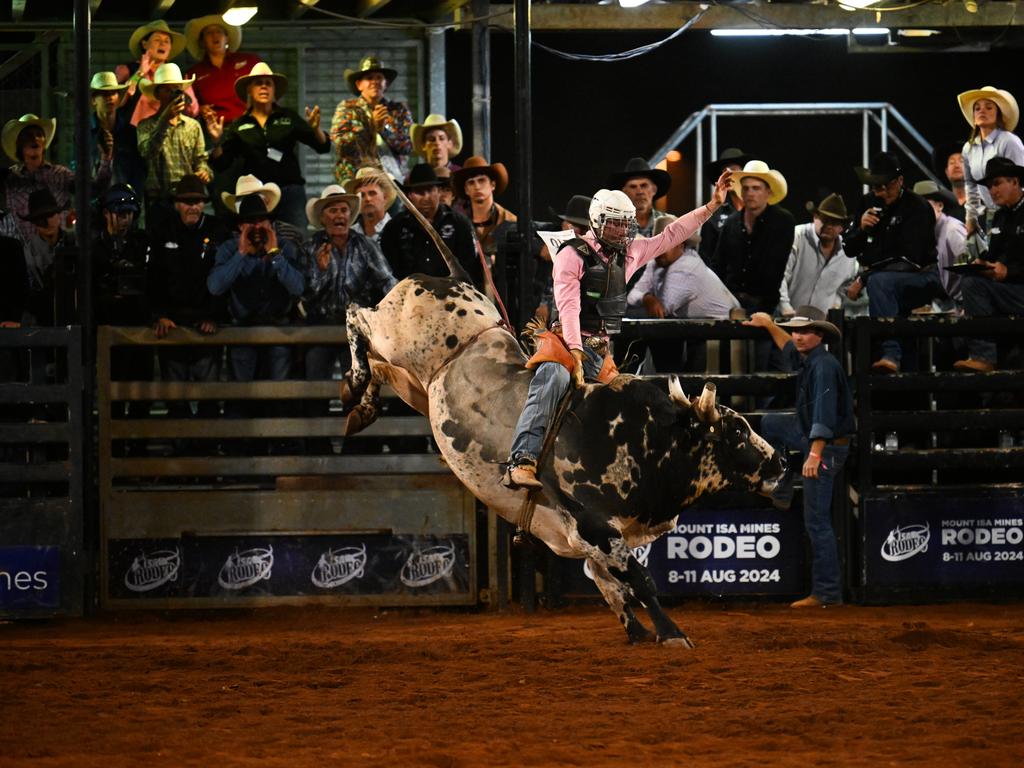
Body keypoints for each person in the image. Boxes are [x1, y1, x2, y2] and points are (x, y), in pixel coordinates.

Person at [505, 170, 733, 488]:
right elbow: (569, 304)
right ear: (598, 221)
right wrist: (573, 350)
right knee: (551, 381)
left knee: (632, 399)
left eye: (625, 222)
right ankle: (521, 460)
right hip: (564, 343)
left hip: (600, 350)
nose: (621, 228)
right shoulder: (572, 254)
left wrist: (711, 205)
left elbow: (672, 234)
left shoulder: (630, 251)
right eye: (614, 221)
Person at [743, 306, 854, 608]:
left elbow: (825, 414)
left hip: (825, 446)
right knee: (769, 423)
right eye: (796, 330)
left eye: (805, 331)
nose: (798, 336)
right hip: (812, 436)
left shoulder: (823, 367)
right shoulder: (814, 360)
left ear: (818, 335)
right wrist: (767, 324)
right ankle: (784, 478)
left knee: (817, 521)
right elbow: (790, 349)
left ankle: (828, 593)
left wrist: (815, 454)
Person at [301, 185, 396, 434]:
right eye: (333, 210)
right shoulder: (311, 247)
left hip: (356, 332)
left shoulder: (364, 245)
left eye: (343, 210)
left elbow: (387, 282)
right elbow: (304, 296)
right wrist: (321, 273)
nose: (339, 215)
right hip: (319, 327)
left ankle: (358, 449)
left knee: (359, 387)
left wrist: (396, 310)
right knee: (314, 387)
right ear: (323, 218)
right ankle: (316, 446)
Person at [207, 185, 305, 403]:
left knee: (279, 397)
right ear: (241, 226)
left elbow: (298, 287)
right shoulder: (229, 249)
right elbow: (215, 286)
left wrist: (275, 254)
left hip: (279, 330)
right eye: (251, 222)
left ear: (271, 224)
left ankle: (278, 437)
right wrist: (241, 254)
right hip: (243, 331)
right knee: (241, 397)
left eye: (262, 221)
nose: (257, 227)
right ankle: (242, 437)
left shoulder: (286, 247)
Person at [844, 152, 940, 372]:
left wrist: (864, 277)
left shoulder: (918, 207)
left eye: (886, 186)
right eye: (876, 187)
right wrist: (861, 229)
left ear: (899, 181)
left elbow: (910, 259)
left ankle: (891, 354)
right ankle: (893, 367)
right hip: (884, 285)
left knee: (879, 282)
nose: (881, 192)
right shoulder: (868, 203)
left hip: (922, 277)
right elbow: (849, 249)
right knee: (882, 292)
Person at [205, 62, 330, 230]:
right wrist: (216, 141)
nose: (264, 87)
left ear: (274, 90)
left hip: (290, 193)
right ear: (249, 89)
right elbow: (222, 163)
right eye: (258, 83)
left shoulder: (288, 117)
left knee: (295, 240)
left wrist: (315, 129)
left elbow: (322, 147)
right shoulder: (239, 125)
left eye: (268, 83)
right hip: (256, 195)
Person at [146, 174, 230, 419]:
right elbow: (153, 276)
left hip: (206, 326)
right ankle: (179, 447)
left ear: (204, 203)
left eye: (197, 201)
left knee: (209, 396)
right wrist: (159, 315)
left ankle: (206, 448)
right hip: (172, 326)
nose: (192, 206)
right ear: (177, 204)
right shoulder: (163, 230)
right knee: (175, 397)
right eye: (186, 201)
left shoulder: (217, 230)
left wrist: (214, 315)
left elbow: (224, 276)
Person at [626, 214, 739, 372]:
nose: (660, 249)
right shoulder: (655, 263)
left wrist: (649, 299)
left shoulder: (687, 266)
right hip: (696, 332)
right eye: (658, 243)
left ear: (681, 244)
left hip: (722, 335)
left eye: (668, 243)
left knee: (658, 329)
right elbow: (632, 297)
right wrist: (647, 298)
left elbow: (663, 309)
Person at [953, 157, 1024, 373]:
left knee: (972, 285)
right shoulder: (1001, 217)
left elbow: (1010, 266)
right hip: (1010, 290)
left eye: (997, 183)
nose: (992, 190)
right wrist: (983, 263)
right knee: (971, 281)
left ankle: (983, 356)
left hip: (1018, 288)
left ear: (1015, 182)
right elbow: (994, 256)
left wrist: (1009, 271)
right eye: (989, 186)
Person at [92, 183, 153, 420]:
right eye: (120, 214)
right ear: (107, 214)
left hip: (139, 327)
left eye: (128, 214)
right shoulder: (96, 248)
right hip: (109, 330)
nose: (125, 220)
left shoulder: (142, 243)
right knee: (112, 397)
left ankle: (138, 450)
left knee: (141, 396)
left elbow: (151, 281)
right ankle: (114, 452)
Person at [379, 164, 481, 290]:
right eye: (419, 192)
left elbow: (470, 268)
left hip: (453, 298)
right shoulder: (394, 228)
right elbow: (388, 271)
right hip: (408, 300)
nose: (426, 197)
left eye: (430, 190)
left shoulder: (459, 224)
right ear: (409, 195)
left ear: (439, 192)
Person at [136, 63, 212, 219]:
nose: (173, 94)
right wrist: (164, 120)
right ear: (157, 94)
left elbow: (201, 160)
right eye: (167, 89)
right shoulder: (145, 125)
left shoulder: (193, 126)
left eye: (176, 89)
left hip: (188, 199)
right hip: (158, 200)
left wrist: (204, 172)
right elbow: (146, 151)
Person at [330, 56, 412, 186]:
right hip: (356, 179)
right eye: (369, 78)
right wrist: (371, 127)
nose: (375, 81)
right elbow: (341, 145)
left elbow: (407, 147)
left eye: (379, 77)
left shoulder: (399, 110)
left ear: (386, 83)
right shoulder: (347, 108)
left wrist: (384, 130)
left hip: (392, 181)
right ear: (359, 85)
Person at [957, 86, 1024, 238]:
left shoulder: (1009, 141)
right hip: (989, 215)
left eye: (989, 107)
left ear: (998, 114)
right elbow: (970, 185)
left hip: (1015, 213)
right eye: (977, 108)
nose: (982, 111)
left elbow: (1020, 180)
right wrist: (971, 218)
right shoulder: (968, 148)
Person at [778, 193, 859, 317]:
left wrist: (834, 308)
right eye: (824, 219)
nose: (828, 226)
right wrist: (785, 307)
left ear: (842, 227)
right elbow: (780, 275)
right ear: (815, 217)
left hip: (822, 326)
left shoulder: (848, 254)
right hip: (787, 317)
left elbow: (843, 288)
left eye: (835, 222)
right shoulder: (797, 236)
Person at [1, 114, 74, 242]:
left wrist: (106, 158)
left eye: (39, 135)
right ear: (19, 144)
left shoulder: (61, 174)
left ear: (44, 142)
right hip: (23, 252)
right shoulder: (10, 178)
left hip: (57, 249)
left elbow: (93, 188)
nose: (34, 139)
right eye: (28, 136)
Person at [453, 156, 513, 304]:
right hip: (469, 300)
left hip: (507, 298)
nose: (477, 187)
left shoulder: (510, 222)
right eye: (471, 183)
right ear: (466, 189)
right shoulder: (459, 227)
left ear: (492, 184)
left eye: (482, 180)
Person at [183, 14, 262, 125]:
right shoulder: (192, 74)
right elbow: (188, 107)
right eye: (209, 33)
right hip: (215, 132)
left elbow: (269, 92)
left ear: (227, 38)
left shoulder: (250, 61)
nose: (215, 35)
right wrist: (200, 109)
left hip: (252, 127)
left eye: (219, 31)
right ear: (202, 42)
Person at [124, 20, 199, 127]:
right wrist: (140, 72)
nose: (162, 43)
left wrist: (185, 92)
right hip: (135, 134)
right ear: (145, 44)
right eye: (157, 39)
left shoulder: (177, 76)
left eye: (167, 41)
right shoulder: (128, 70)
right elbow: (122, 99)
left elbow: (193, 111)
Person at [20, 189, 72, 326]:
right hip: (43, 319)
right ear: (33, 222)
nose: (46, 222)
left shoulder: (74, 243)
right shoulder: (28, 252)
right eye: (40, 218)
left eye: (50, 215)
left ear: (58, 215)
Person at [913, 180, 967, 308]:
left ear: (940, 206)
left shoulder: (952, 230)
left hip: (964, 302)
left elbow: (970, 270)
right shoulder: (925, 234)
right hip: (947, 302)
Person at [89, 71, 143, 197]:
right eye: (104, 94)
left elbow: (138, 171)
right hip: (96, 202)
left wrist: (134, 198)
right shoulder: (84, 134)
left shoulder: (130, 133)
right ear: (93, 100)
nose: (110, 97)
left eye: (113, 93)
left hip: (125, 201)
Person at [699, 148, 753, 264]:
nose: (728, 175)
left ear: (744, 175)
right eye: (724, 172)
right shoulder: (712, 215)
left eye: (733, 170)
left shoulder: (759, 209)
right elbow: (705, 257)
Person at [608, 157, 672, 238]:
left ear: (654, 190)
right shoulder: (614, 226)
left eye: (644, 185)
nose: (639, 192)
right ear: (624, 193)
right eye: (633, 186)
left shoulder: (670, 224)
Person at [345, 166, 395, 246]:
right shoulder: (349, 235)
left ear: (385, 198)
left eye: (372, 193)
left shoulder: (398, 230)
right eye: (362, 195)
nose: (367, 199)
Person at [412, 113, 462, 177]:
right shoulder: (417, 176)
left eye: (441, 138)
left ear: (449, 143)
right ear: (423, 145)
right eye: (432, 139)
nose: (437, 143)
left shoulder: (459, 174)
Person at [932, 141, 967, 220]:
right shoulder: (941, 209)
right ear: (947, 172)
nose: (957, 165)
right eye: (952, 162)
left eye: (961, 161)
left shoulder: (981, 205)